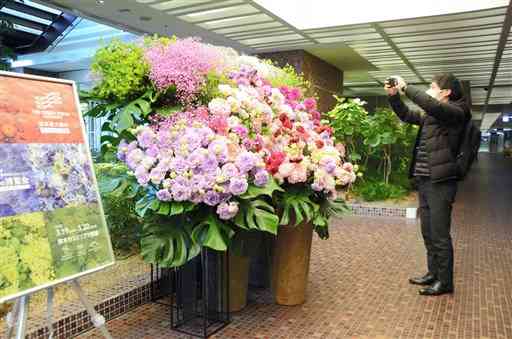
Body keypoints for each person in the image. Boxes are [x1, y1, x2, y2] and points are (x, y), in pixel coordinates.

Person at [384, 73, 471, 296]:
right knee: (428, 232)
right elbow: (406, 114)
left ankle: (446, 281)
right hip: (425, 180)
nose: (429, 90)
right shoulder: (433, 116)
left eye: (432, 87)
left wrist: (406, 88)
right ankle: (434, 274)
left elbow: (431, 104)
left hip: (441, 182)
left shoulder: (457, 112)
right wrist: (394, 96)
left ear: (446, 92)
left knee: (440, 234)